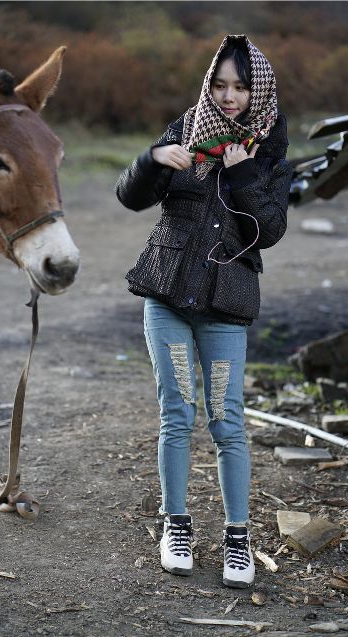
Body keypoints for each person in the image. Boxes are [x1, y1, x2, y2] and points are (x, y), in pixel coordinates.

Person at [115, 34, 291, 588]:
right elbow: (130, 196)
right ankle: (176, 526)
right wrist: (151, 160)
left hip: (225, 305)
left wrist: (241, 174)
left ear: (258, 90)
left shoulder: (270, 152)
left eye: (241, 87)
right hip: (167, 295)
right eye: (220, 85)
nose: (229, 96)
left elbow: (272, 229)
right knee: (176, 413)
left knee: (226, 421)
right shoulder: (186, 129)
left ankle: (238, 539)